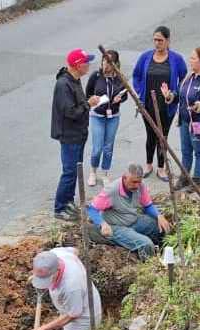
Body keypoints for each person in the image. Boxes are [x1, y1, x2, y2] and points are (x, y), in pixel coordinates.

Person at [31, 248, 102, 330]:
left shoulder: (71, 286)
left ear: (57, 271)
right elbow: (75, 251)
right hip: (74, 304)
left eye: (46, 279)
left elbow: (73, 315)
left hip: (84, 318)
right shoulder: (56, 255)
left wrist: (44, 328)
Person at [51, 48, 101, 221]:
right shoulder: (63, 85)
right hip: (70, 135)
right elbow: (70, 112)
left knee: (76, 169)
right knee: (70, 171)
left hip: (79, 133)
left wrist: (87, 103)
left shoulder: (75, 80)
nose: (89, 65)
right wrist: (88, 104)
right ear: (78, 65)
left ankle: (69, 201)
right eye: (86, 62)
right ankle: (60, 207)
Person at [133, 26, 187, 181]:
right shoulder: (145, 57)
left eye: (160, 40)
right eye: (155, 40)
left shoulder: (176, 59)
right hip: (147, 104)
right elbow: (136, 75)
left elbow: (184, 79)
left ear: (168, 41)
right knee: (150, 135)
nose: (157, 43)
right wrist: (139, 91)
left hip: (167, 105)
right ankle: (148, 165)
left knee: (162, 136)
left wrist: (174, 93)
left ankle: (161, 167)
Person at [87, 163, 171, 259]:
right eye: (133, 182)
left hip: (134, 220)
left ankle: (162, 253)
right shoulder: (111, 190)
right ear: (124, 178)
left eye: (139, 182)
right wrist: (102, 223)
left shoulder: (140, 186)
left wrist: (159, 216)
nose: (137, 185)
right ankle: (148, 265)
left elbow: (148, 205)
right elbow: (92, 210)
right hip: (115, 227)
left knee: (161, 228)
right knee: (146, 244)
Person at [170, 47, 200, 191]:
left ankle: (196, 180)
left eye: (193, 58)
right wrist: (170, 96)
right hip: (184, 121)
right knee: (185, 150)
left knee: (199, 151)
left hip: (199, 123)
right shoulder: (190, 77)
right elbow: (180, 94)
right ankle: (184, 177)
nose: (190, 61)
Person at [85, 50, 128, 187]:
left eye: (109, 62)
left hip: (113, 116)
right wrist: (93, 100)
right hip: (97, 115)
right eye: (104, 61)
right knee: (97, 147)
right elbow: (88, 94)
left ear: (115, 64)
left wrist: (119, 99)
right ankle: (92, 172)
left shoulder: (120, 78)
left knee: (108, 147)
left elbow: (126, 94)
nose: (105, 65)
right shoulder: (96, 76)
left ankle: (105, 173)